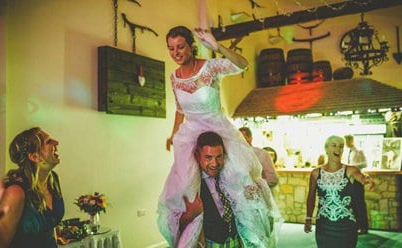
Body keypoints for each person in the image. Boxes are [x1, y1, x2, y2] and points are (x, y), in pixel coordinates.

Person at [157, 1, 279, 246]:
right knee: (187, 189)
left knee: (238, 178)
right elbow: (180, 109)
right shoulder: (174, 77)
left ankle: (251, 236)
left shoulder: (210, 68)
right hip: (190, 134)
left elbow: (242, 64)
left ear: (191, 47)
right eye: (171, 48)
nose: (176, 53)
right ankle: (196, 239)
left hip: (217, 128)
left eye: (180, 47)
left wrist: (217, 46)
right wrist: (173, 135)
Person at [0, 127, 62, 248]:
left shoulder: (53, 180)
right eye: (48, 141)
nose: (56, 142)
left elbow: (51, 229)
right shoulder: (15, 193)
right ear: (34, 157)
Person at [305, 135, 376, 247]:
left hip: (346, 226)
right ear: (326, 149)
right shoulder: (315, 173)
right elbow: (311, 196)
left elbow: (360, 176)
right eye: (334, 145)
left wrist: (366, 179)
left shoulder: (350, 170)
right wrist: (308, 218)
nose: (338, 149)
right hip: (324, 226)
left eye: (341, 146)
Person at [343, 134, 370, 234]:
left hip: (358, 180)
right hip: (350, 180)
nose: (345, 143)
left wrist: (352, 167)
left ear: (351, 140)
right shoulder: (348, 152)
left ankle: (364, 227)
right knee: (353, 204)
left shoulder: (359, 151)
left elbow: (365, 164)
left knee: (360, 204)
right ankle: (357, 226)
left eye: (346, 141)